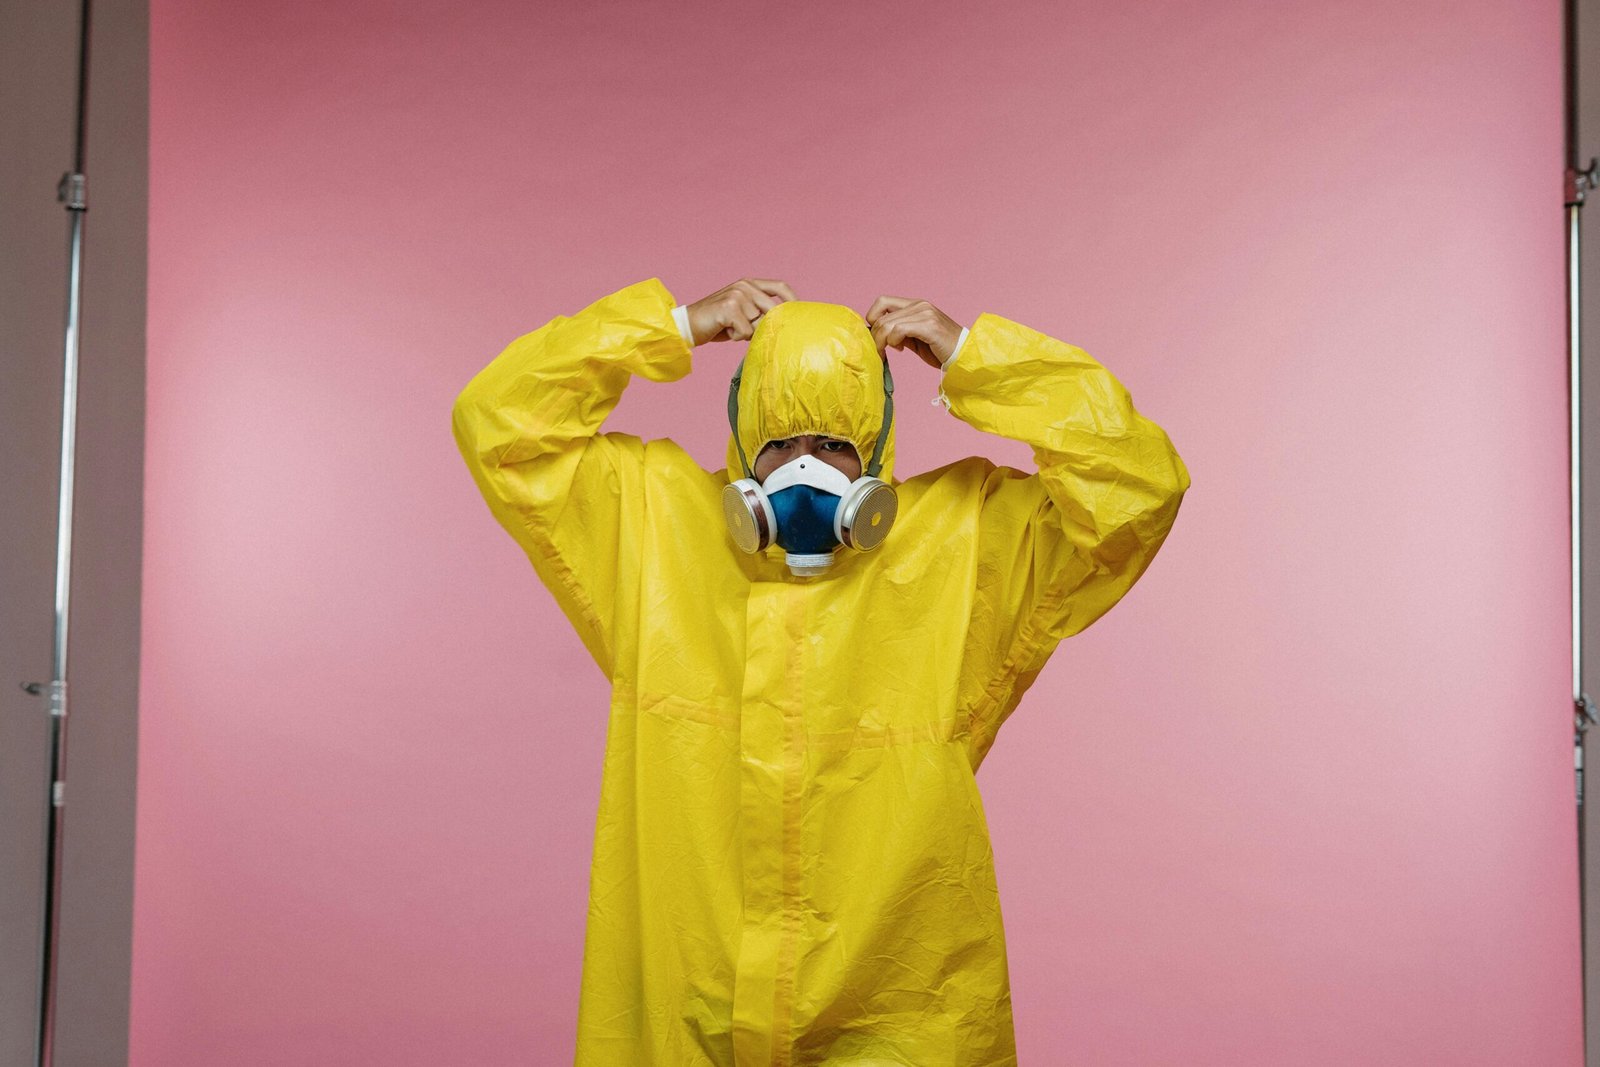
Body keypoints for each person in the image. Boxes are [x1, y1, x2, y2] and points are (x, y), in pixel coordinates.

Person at [451, 276, 1190, 1066]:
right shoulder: (654, 524)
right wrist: (673, 326)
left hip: (903, 1003)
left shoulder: (966, 540)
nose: (806, 470)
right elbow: (498, 423)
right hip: (686, 994)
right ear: (742, 448)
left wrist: (977, 358)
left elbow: (1138, 487)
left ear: (874, 454)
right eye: (779, 444)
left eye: (836, 445)